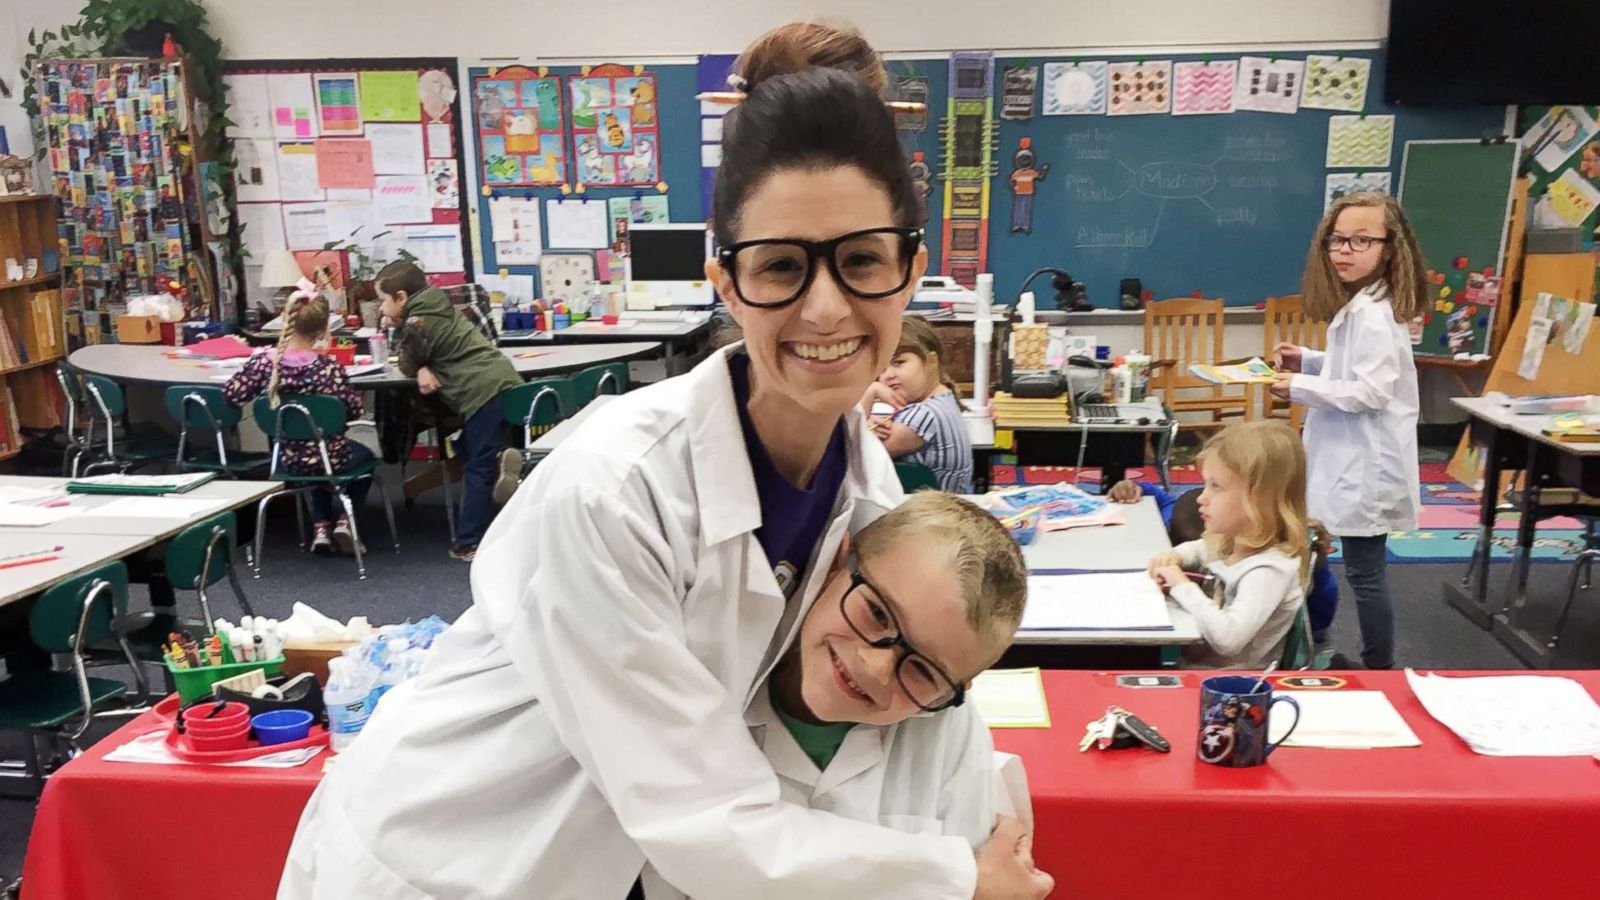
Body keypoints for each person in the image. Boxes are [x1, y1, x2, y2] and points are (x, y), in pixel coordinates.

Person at [279, 47, 1052, 900]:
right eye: (782, 266)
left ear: (909, 267)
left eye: (863, 261)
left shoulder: (864, 481)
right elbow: (701, 819)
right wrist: (957, 876)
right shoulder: (615, 490)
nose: (827, 308)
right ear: (725, 279)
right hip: (447, 859)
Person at [648, 491, 1031, 900]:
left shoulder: (949, 729)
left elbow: (988, 880)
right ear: (835, 564)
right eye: (878, 613)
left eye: (923, 671)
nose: (876, 666)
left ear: (958, 688)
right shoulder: (709, 684)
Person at [1270, 191, 1424, 670]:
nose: (1344, 250)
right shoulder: (1363, 305)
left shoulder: (1374, 314)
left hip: (1366, 468)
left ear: (1389, 248)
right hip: (1349, 459)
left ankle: (1380, 668)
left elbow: (1371, 392)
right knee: (1345, 562)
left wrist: (1297, 384)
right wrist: (1310, 362)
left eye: (1361, 240)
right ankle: (1325, 641)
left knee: (1365, 572)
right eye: (1337, 239)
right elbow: (1353, 369)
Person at [376, 260, 521, 562]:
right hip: (502, 377)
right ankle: (498, 458)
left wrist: (414, 356)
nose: (381, 308)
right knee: (470, 447)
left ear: (401, 297)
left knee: (477, 466)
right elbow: (424, 352)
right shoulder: (437, 303)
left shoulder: (417, 324)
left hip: (478, 389)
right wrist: (423, 362)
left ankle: (467, 542)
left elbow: (406, 361)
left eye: (383, 300)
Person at [1147, 421, 1316, 669]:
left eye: (1216, 487)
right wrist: (1176, 555)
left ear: (1257, 501)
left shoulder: (1268, 570)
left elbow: (1229, 639)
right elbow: (1203, 548)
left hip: (1227, 686)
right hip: (1197, 667)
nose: (1202, 498)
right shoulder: (1234, 541)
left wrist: (1180, 585)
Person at [222, 294, 370, 556]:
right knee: (362, 457)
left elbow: (232, 395)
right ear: (324, 330)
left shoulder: (263, 363)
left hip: (286, 459)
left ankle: (321, 528)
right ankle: (346, 523)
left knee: (313, 457)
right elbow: (353, 410)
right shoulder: (329, 368)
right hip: (330, 458)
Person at [1109, 478, 1339, 646]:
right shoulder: (1197, 520)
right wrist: (1136, 487)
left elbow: (1318, 622)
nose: (1202, 498)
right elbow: (1162, 498)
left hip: (1217, 661)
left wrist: (1318, 567)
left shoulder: (1267, 568)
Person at [861, 315, 974, 493]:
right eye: (881, 369)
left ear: (931, 361)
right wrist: (868, 426)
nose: (887, 375)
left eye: (898, 363)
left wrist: (869, 393)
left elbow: (852, 457)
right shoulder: (943, 399)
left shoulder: (924, 416)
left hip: (929, 517)